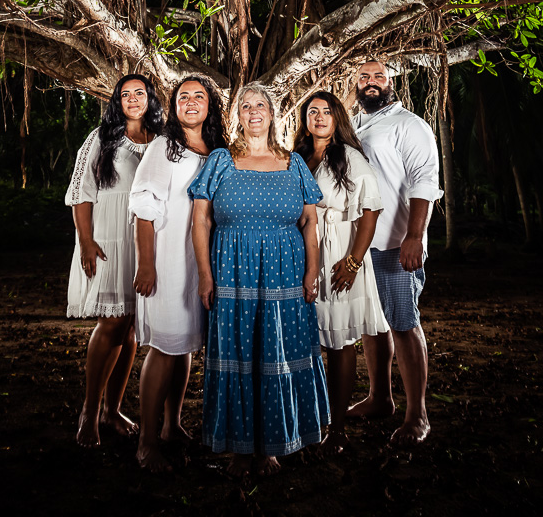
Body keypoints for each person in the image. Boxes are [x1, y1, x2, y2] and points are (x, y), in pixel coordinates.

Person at [189, 82, 330, 477]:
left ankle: (272, 444)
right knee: (237, 356)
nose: (254, 111)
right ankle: (238, 447)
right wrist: (204, 275)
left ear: (273, 113)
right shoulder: (220, 160)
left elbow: (310, 223)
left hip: (284, 275)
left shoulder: (294, 163)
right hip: (232, 274)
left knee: (276, 353)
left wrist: (312, 271)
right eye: (246, 105)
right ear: (237, 115)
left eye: (261, 105)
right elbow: (200, 220)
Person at [129, 75, 227, 472]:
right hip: (168, 260)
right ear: (173, 107)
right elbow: (143, 207)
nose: (190, 102)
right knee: (164, 347)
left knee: (185, 345)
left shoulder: (218, 150)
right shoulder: (163, 147)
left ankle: (172, 426)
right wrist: (147, 263)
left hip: (203, 261)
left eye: (198, 96)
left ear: (209, 106)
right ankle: (146, 442)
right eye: (182, 97)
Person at [65, 74, 164, 447]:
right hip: (108, 239)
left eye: (140, 93)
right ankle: (89, 412)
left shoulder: (159, 141)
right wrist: (86, 241)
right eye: (126, 94)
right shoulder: (101, 138)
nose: (134, 99)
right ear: (118, 102)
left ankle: (113, 409)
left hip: (143, 243)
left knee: (133, 329)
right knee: (111, 324)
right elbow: (80, 192)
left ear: (150, 99)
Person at [347, 61, 443, 446]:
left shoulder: (410, 125)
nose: (372, 83)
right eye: (365, 77)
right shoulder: (353, 124)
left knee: (403, 324)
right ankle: (379, 398)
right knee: (373, 324)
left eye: (379, 77)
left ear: (392, 82)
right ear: (356, 84)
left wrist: (414, 236)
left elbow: (425, 181)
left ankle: (417, 414)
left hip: (394, 242)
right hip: (358, 245)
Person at [292, 90, 387, 454]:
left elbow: (370, 210)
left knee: (339, 341)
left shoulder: (348, 157)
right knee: (308, 339)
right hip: (303, 250)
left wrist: (352, 262)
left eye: (326, 112)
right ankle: (308, 419)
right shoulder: (296, 157)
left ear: (338, 119)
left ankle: (339, 427)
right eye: (312, 111)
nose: (318, 117)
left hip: (339, 255)